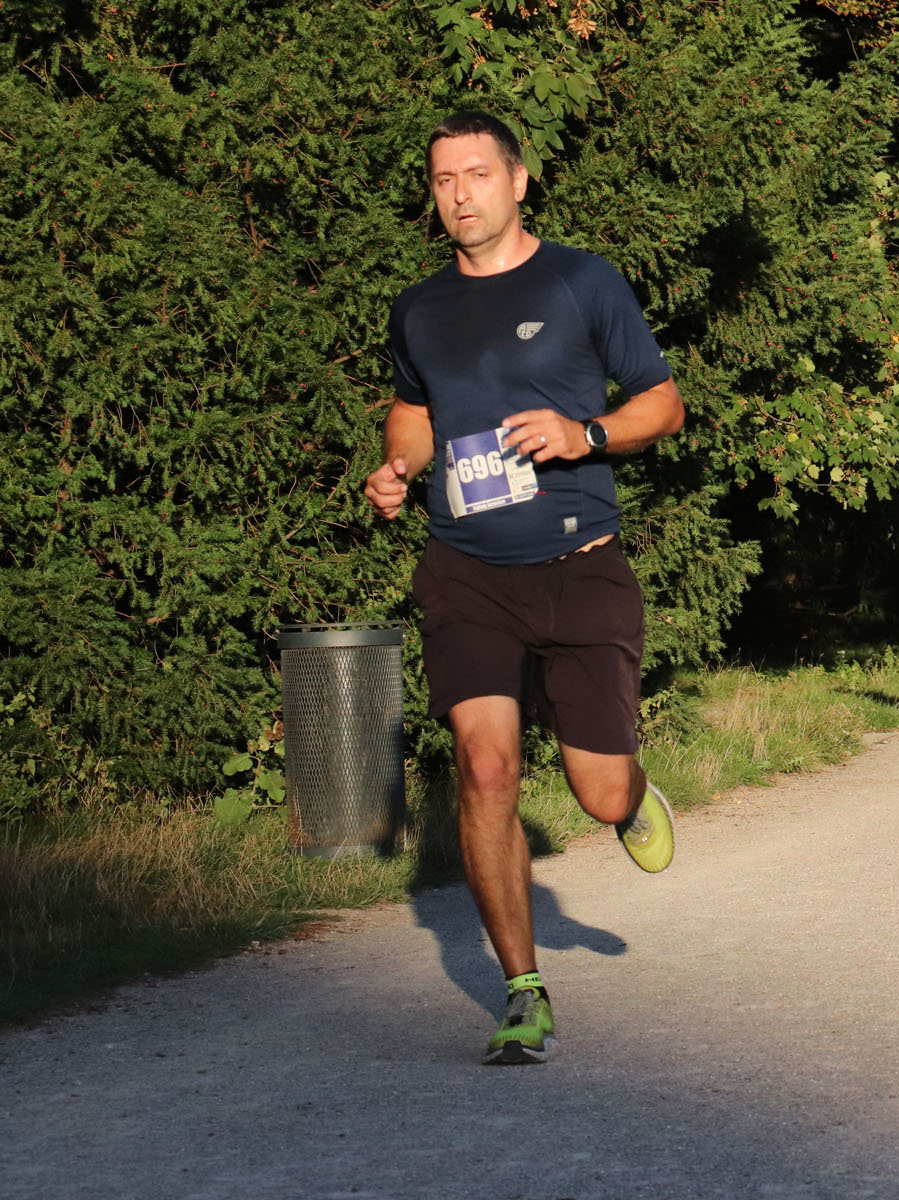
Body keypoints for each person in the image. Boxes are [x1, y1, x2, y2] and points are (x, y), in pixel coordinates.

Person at [362, 111, 684, 1066]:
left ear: (518, 180)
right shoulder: (419, 308)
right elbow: (414, 412)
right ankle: (523, 989)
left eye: (476, 174)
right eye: (443, 180)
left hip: (582, 566)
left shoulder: (583, 281)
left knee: (597, 792)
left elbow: (662, 403)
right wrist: (396, 466)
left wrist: (586, 435)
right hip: (466, 571)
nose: (459, 194)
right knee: (486, 768)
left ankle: (629, 796)